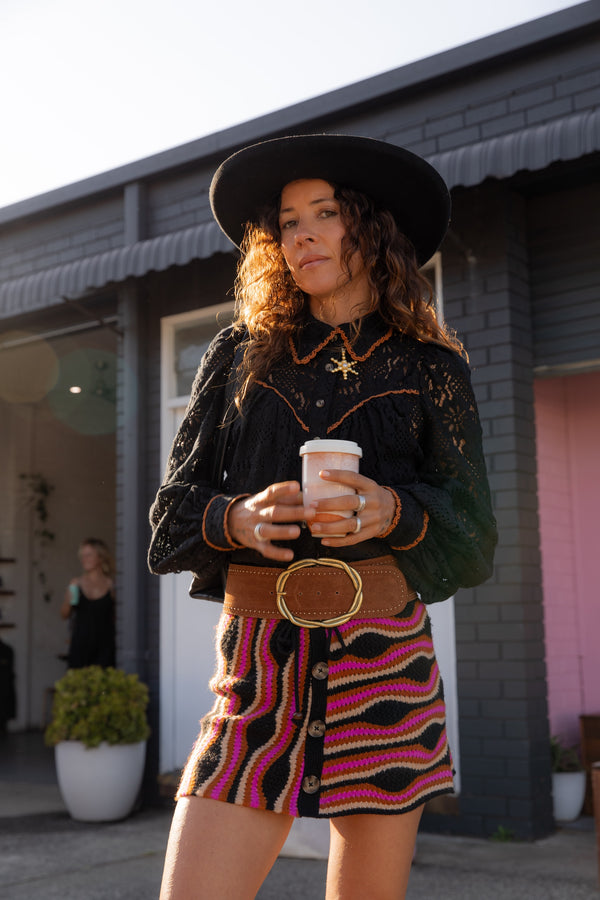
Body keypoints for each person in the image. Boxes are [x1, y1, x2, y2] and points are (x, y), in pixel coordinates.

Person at [148, 134, 497, 900]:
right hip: (257, 667)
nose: (300, 233)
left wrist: (391, 511)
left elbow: (475, 540)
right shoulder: (238, 354)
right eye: (288, 220)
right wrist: (236, 519)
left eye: (325, 213)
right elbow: (170, 516)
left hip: (385, 664)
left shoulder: (431, 368)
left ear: (369, 228)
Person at [60, 538, 116, 669]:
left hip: (104, 647)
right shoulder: (76, 584)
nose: (84, 559)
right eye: (82, 556)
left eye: (89, 555)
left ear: (100, 557)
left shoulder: (111, 586)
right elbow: (64, 614)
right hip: (80, 646)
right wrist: (68, 600)